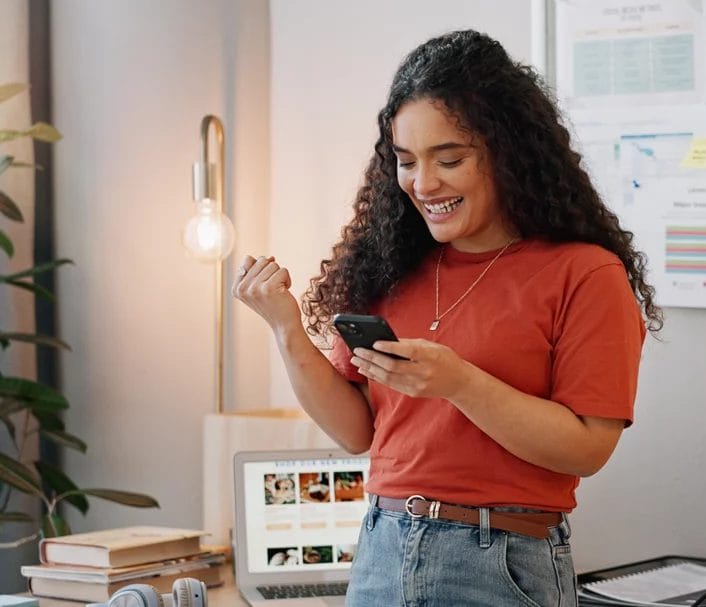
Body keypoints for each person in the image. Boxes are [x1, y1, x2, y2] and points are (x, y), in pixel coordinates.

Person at [233, 29, 661, 607]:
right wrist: (286, 328)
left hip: (501, 561)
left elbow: (587, 449)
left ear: (509, 151)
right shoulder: (387, 266)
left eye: (450, 159)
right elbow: (355, 433)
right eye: (406, 161)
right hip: (383, 548)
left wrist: (459, 383)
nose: (423, 183)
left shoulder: (585, 274)